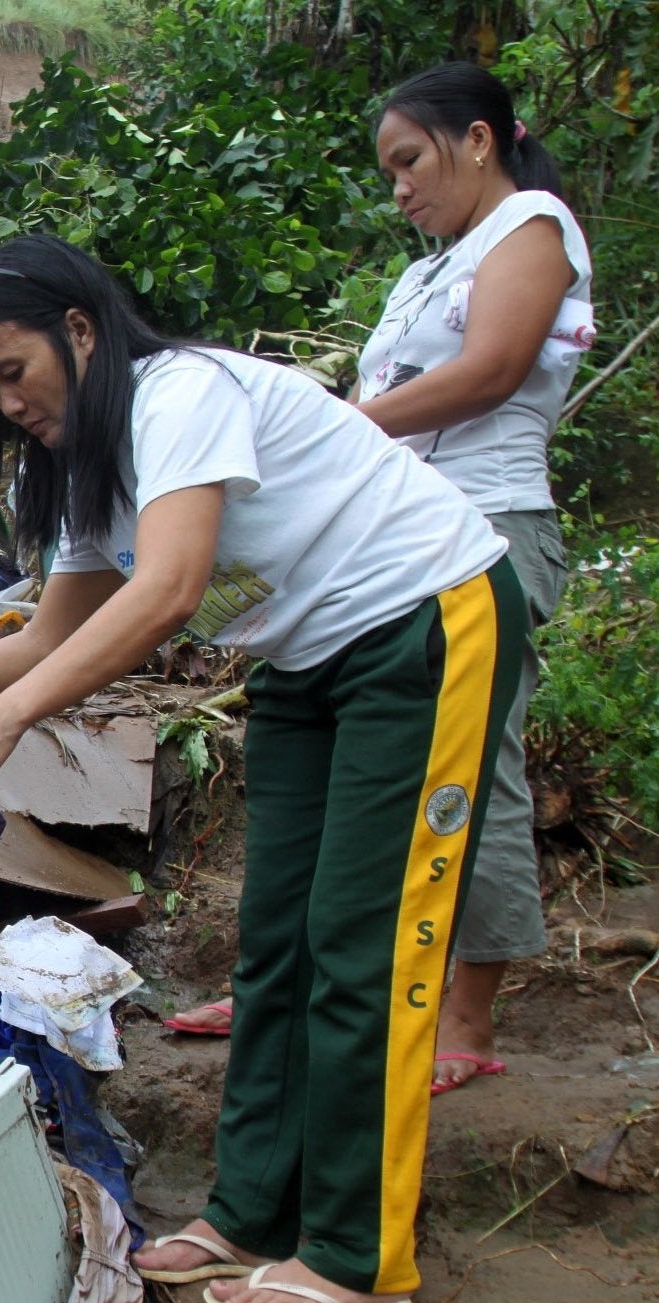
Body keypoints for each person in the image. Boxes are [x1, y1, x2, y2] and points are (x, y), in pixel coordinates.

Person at [0, 233, 523, 1303]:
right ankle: (251, 1209)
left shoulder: (182, 395)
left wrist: (3, 729)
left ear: (78, 330)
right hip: (307, 661)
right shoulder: (81, 468)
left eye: (13, 371)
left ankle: (362, 1256)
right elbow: (46, 638)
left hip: (421, 624)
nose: (7, 401)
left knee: (365, 941)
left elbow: (165, 592)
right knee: (276, 941)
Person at [169, 64, 593, 1092]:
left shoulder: (529, 226)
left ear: (478, 140)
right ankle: (292, 981)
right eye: (387, 171)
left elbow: (489, 370)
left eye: (408, 161)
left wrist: (332, 430)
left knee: (470, 771)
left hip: (481, 530)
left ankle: (466, 1015)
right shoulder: (422, 273)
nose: (397, 187)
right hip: (375, 549)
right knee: (322, 773)